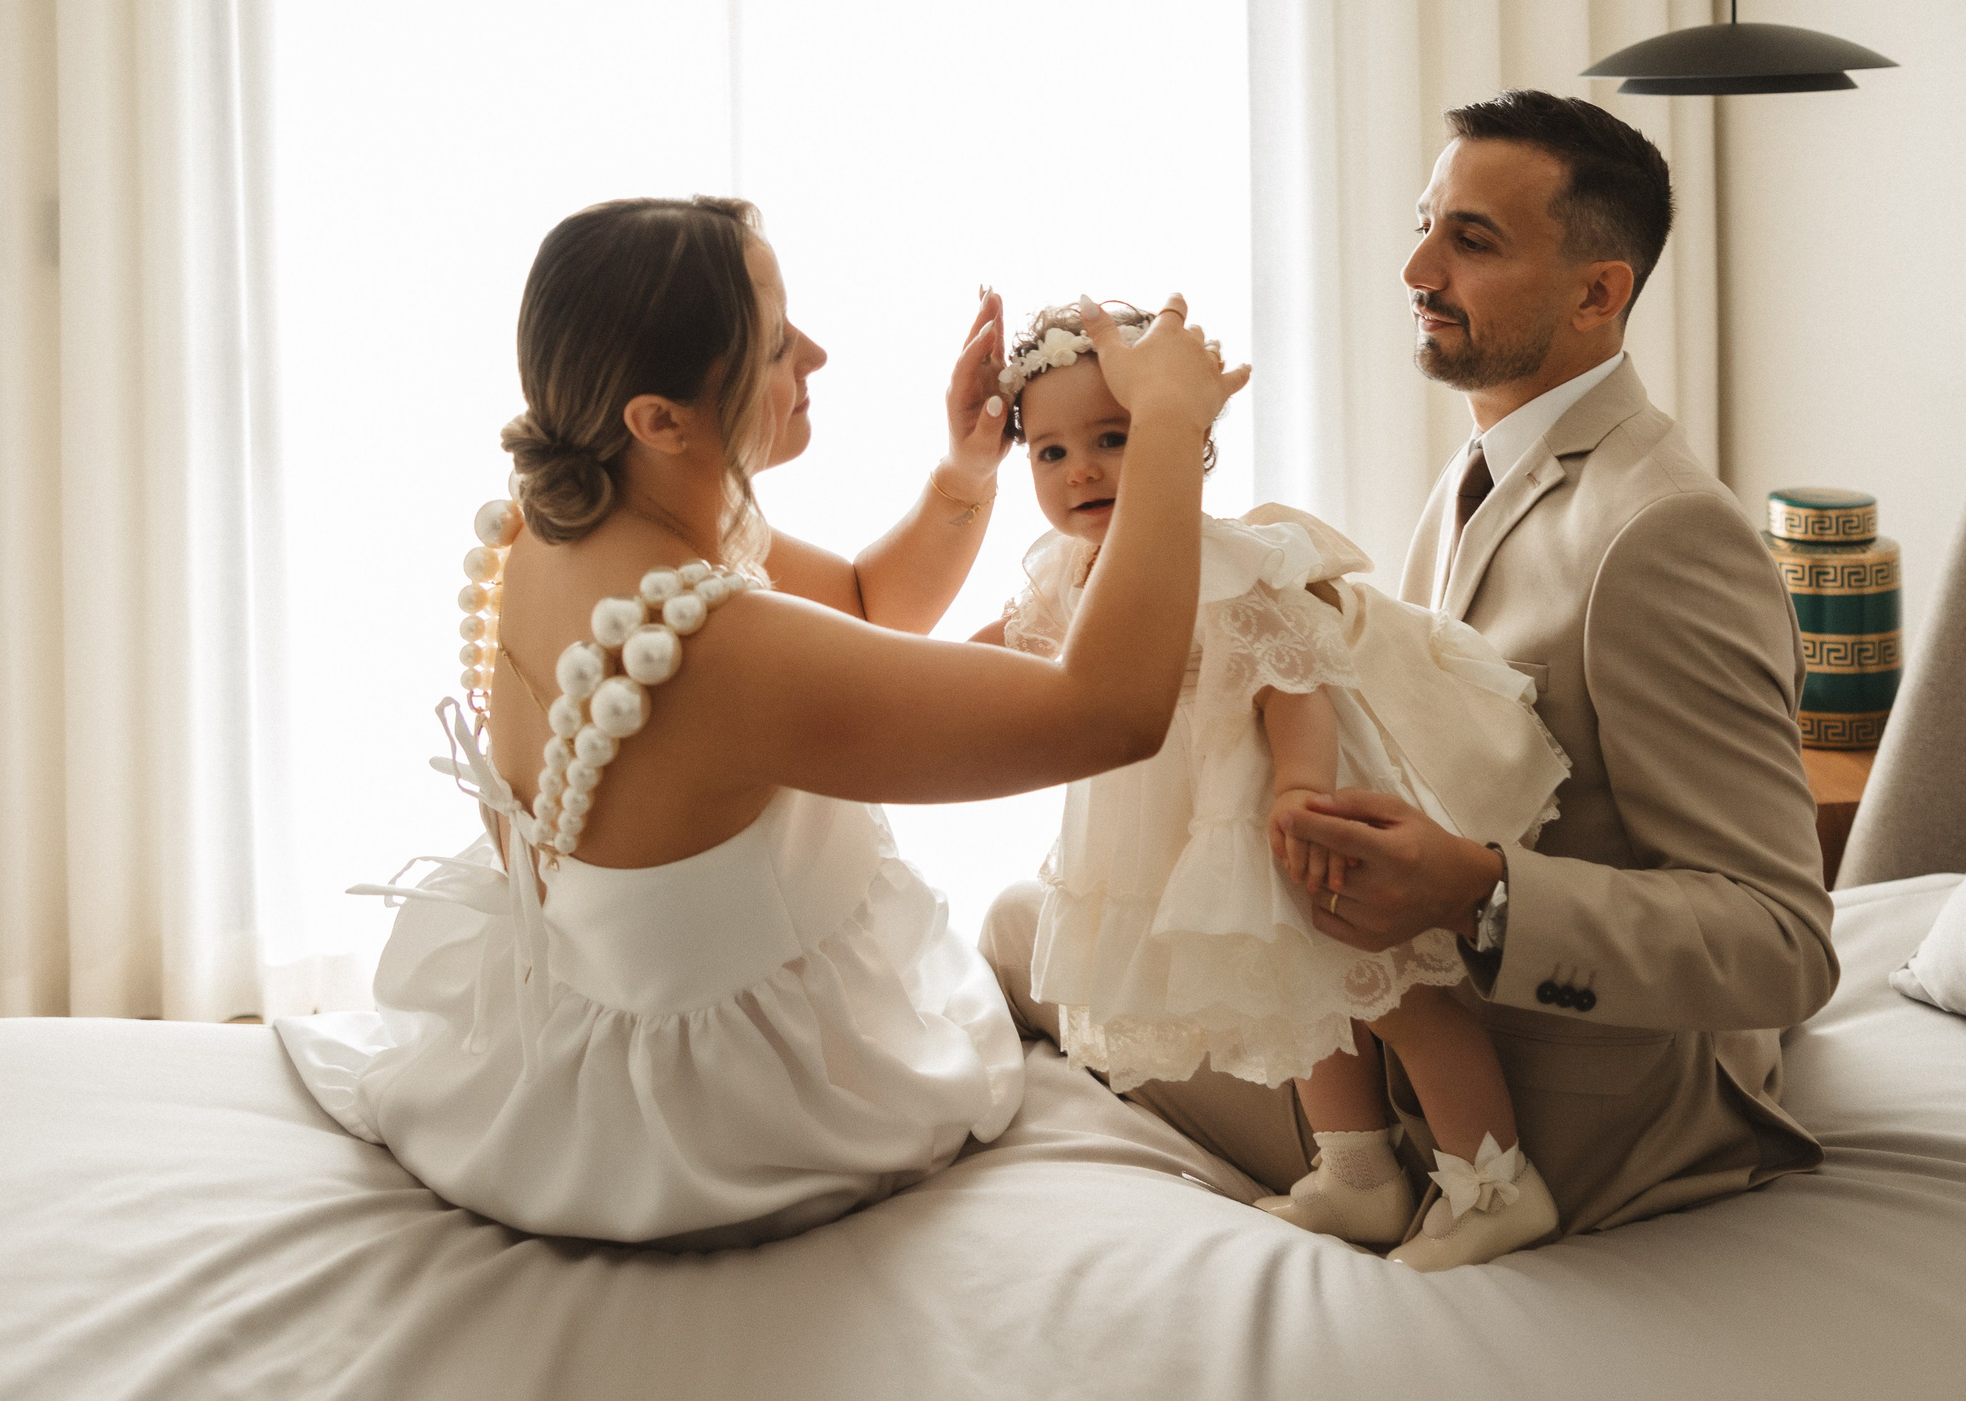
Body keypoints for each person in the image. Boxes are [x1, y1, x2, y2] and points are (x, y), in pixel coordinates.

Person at [276, 196, 1244, 1248]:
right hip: (715, 1124)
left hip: (552, 1032)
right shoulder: (712, 649)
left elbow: (866, 606)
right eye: (779, 342)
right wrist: (1166, 431)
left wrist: (968, 469)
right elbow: (1108, 710)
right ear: (661, 417)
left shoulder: (573, 511)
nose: (816, 354)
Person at [982, 90, 1837, 1245]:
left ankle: (1440, 1171)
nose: (1414, 265)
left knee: (1023, 937)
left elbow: (1783, 942)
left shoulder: (1664, 532)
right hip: (1414, 1012)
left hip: (1561, 1109)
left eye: (1470, 239)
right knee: (1037, 913)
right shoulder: (1487, 464)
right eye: (1423, 221)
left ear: (1599, 291)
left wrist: (1474, 892)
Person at [981, 303, 1572, 1269]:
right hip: (1187, 824)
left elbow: (1292, 679)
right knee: (1301, 1001)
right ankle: (1359, 1177)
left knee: (1392, 992)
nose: (1080, 470)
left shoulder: (1221, 560)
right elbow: (1001, 658)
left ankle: (1498, 1185)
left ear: (1187, 441)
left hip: (1277, 806)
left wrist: (1299, 790)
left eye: (1112, 438)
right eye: (1048, 453)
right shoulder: (1070, 572)